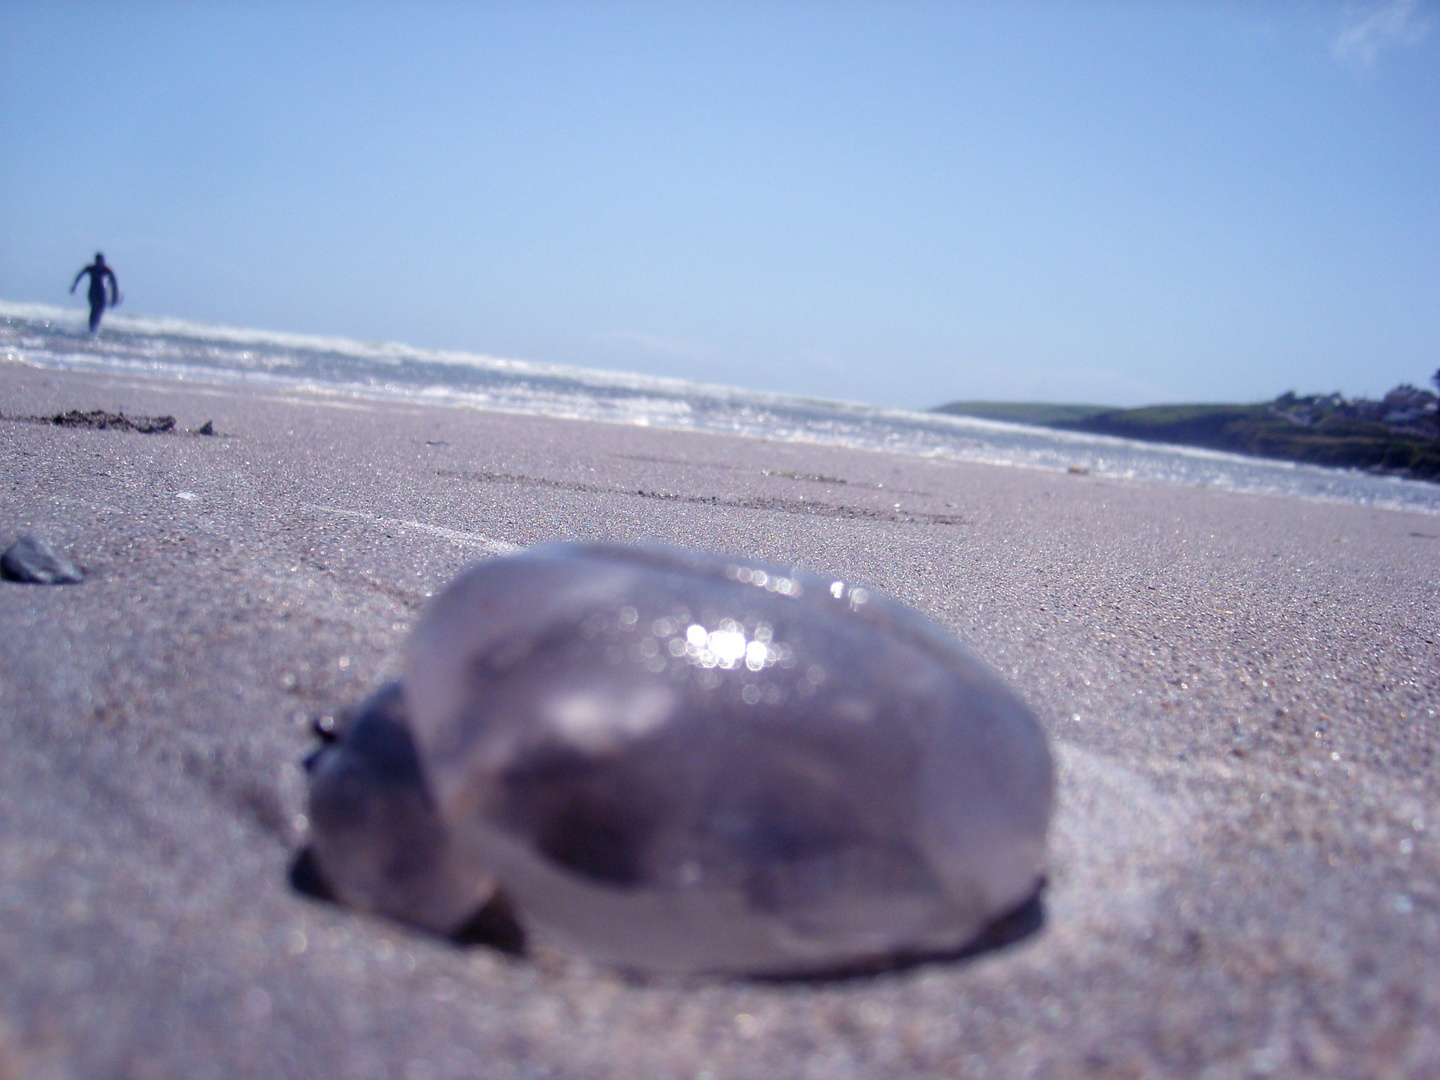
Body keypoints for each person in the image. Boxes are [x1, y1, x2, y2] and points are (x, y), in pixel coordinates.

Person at [70, 253, 120, 332]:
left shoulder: (106, 269)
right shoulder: (91, 268)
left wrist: (115, 296)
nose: (99, 263)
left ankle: (95, 327)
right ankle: (91, 328)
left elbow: (114, 283)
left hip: (101, 292)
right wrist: (74, 286)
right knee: (94, 309)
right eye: (98, 260)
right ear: (96, 260)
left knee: (101, 309)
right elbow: (80, 276)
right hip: (93, 292)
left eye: (101, 261)